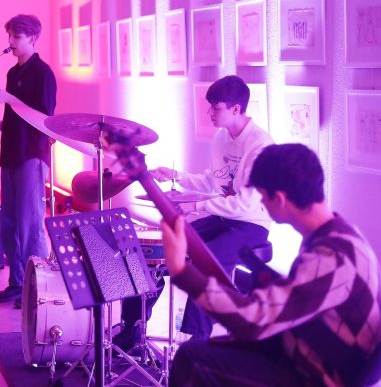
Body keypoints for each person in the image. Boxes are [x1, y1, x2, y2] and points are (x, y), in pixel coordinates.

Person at [162, 143, 381, 386]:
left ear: (279, 199)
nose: (261, 205)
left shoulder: (331, 257)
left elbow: (251, 321)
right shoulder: (341, 234)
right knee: (213, 349)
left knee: (191, 357)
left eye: (262, 196)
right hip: (315, 352)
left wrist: (182, 271)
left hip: (318, 375)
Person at [114, 75, 273, 350]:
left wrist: (197, 206)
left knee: (208, 260)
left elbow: (246, 204)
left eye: (216, 108)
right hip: (224, 217)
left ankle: (195, 344)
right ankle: (132, 328)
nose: (210, 113)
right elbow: (214, 182)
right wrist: (177, 176)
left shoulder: (260, 146)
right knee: (159, 246)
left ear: (236, 109)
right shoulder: (222, 138)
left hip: (251, 224)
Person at [0, 14, 56, 308]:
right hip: (11, 152)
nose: (11, 42)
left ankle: (38, 288)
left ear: (32, 38)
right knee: (9, 223)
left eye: (16, 36)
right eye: (10, 36)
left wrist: (9, 99)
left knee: (30, 224)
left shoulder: (43, 73)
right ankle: (17, 283)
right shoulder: (13, 73)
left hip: (32, 154)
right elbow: (18, 115)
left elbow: (44, 118)